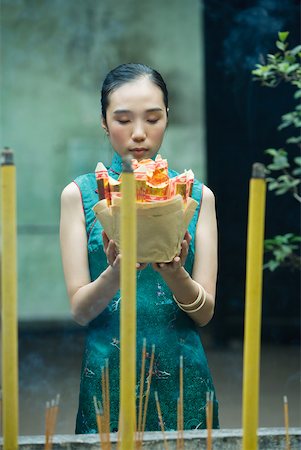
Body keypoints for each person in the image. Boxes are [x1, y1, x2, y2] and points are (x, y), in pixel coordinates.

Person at [60, 63, 219, 433]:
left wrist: (175, 272)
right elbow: (81, 311)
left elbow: (205, 313)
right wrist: (116, 272)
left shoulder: (197, 196)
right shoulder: (80, 195)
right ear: (103, 121)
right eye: (122, 120)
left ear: (167, 116)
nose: (138, 134)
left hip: (184, 378)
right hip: (108, 378)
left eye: (152, 118)